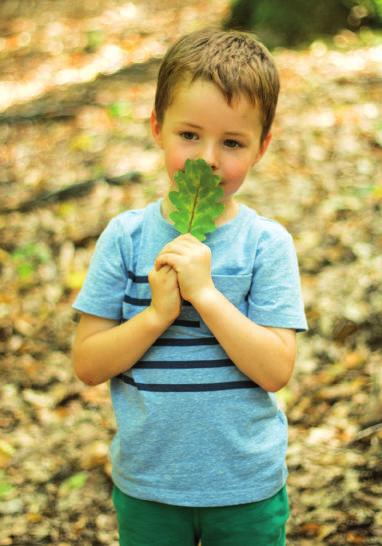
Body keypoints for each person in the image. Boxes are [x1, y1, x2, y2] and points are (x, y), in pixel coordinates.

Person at [71, 28, 308, 546]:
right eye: (189, 135)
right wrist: (155, 316)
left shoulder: (266, 244)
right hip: (149, 487)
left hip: (246, 489)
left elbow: (275, 370)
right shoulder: (126, 238)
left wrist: (206, 294)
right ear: (157, 128)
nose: (208, 160)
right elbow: (88, 364)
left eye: (233, 142)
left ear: (262, 146)